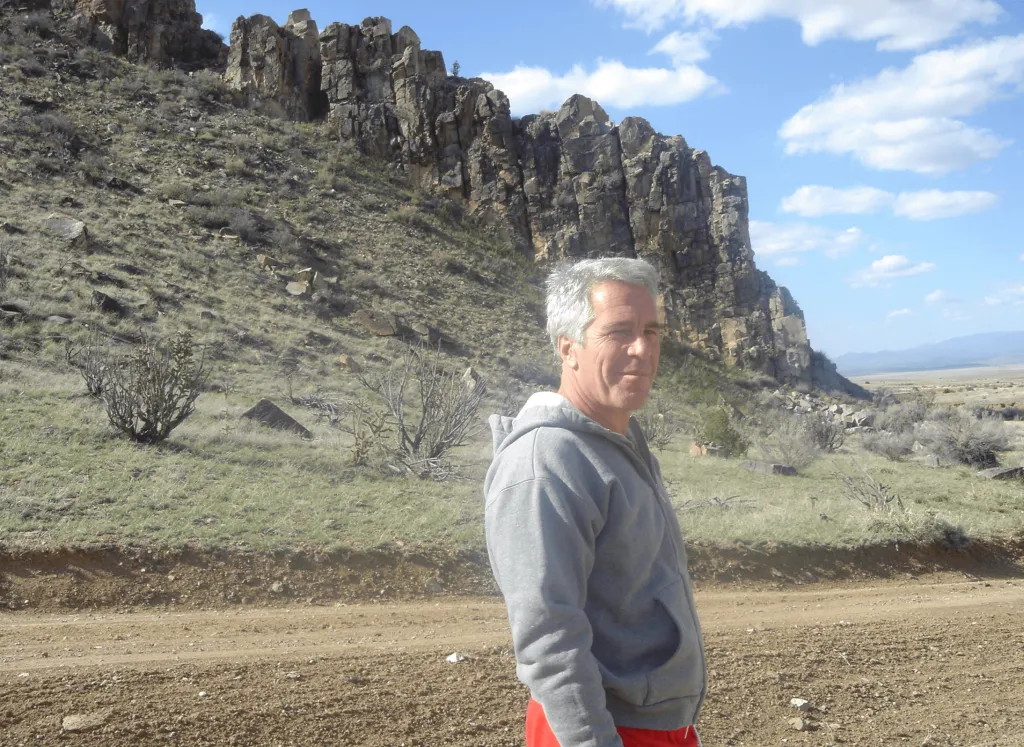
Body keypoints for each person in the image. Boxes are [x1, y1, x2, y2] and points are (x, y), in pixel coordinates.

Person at [484, 257, 706, 747]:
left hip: (657, 725)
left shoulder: (621, 441)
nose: (643, 348)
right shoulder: (545, 462)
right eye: (619, 331)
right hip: (602, 729)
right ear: (569, 348)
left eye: (652, 330)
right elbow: (549, 640)